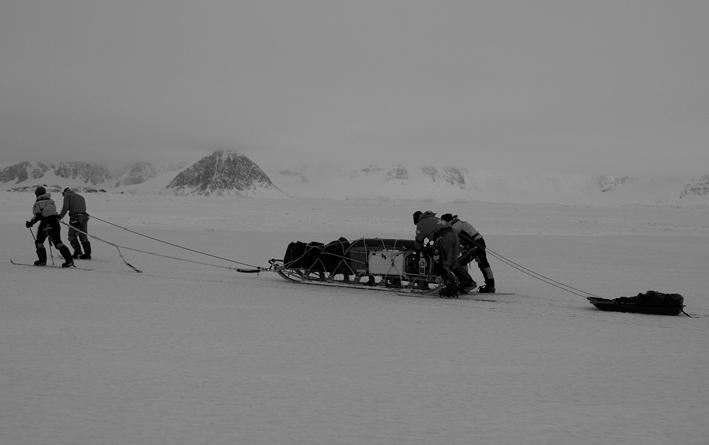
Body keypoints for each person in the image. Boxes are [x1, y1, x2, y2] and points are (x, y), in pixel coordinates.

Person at [413, 211, 475, 298]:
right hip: (454, 236)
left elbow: (419, 242)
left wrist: (419, 250)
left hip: (444, 238)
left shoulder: (421, 224)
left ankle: (451, 287)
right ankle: (468, 283)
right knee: (452, 262)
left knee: (442, 263)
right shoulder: (434, 219)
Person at [441, 213, 495, 293]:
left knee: (459, 263)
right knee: (483, 264)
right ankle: (490, 286)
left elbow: (451, 239)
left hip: (474, 245)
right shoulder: (460, 223)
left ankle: (466, 284)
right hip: (478, 242)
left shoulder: (455, 226)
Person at [25, 186, 75, 267]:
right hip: (55, 223)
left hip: (45, 223)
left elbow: (38, 216)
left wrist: (30, 223)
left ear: (37, 194)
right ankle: (69, 260)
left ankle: (42, 261)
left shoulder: (38, 203)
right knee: (58, 243)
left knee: (39, 242)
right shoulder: (51, 201)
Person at [58, 187, 91, 259]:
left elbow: (65, 207)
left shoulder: (67, 195)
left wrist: (60, 216)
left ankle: (77, 252)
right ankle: (87, 254)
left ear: (64, 192)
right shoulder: (81, 197)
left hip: (75, 217)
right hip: (84, 217)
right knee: (83, 235)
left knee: (71, 235)